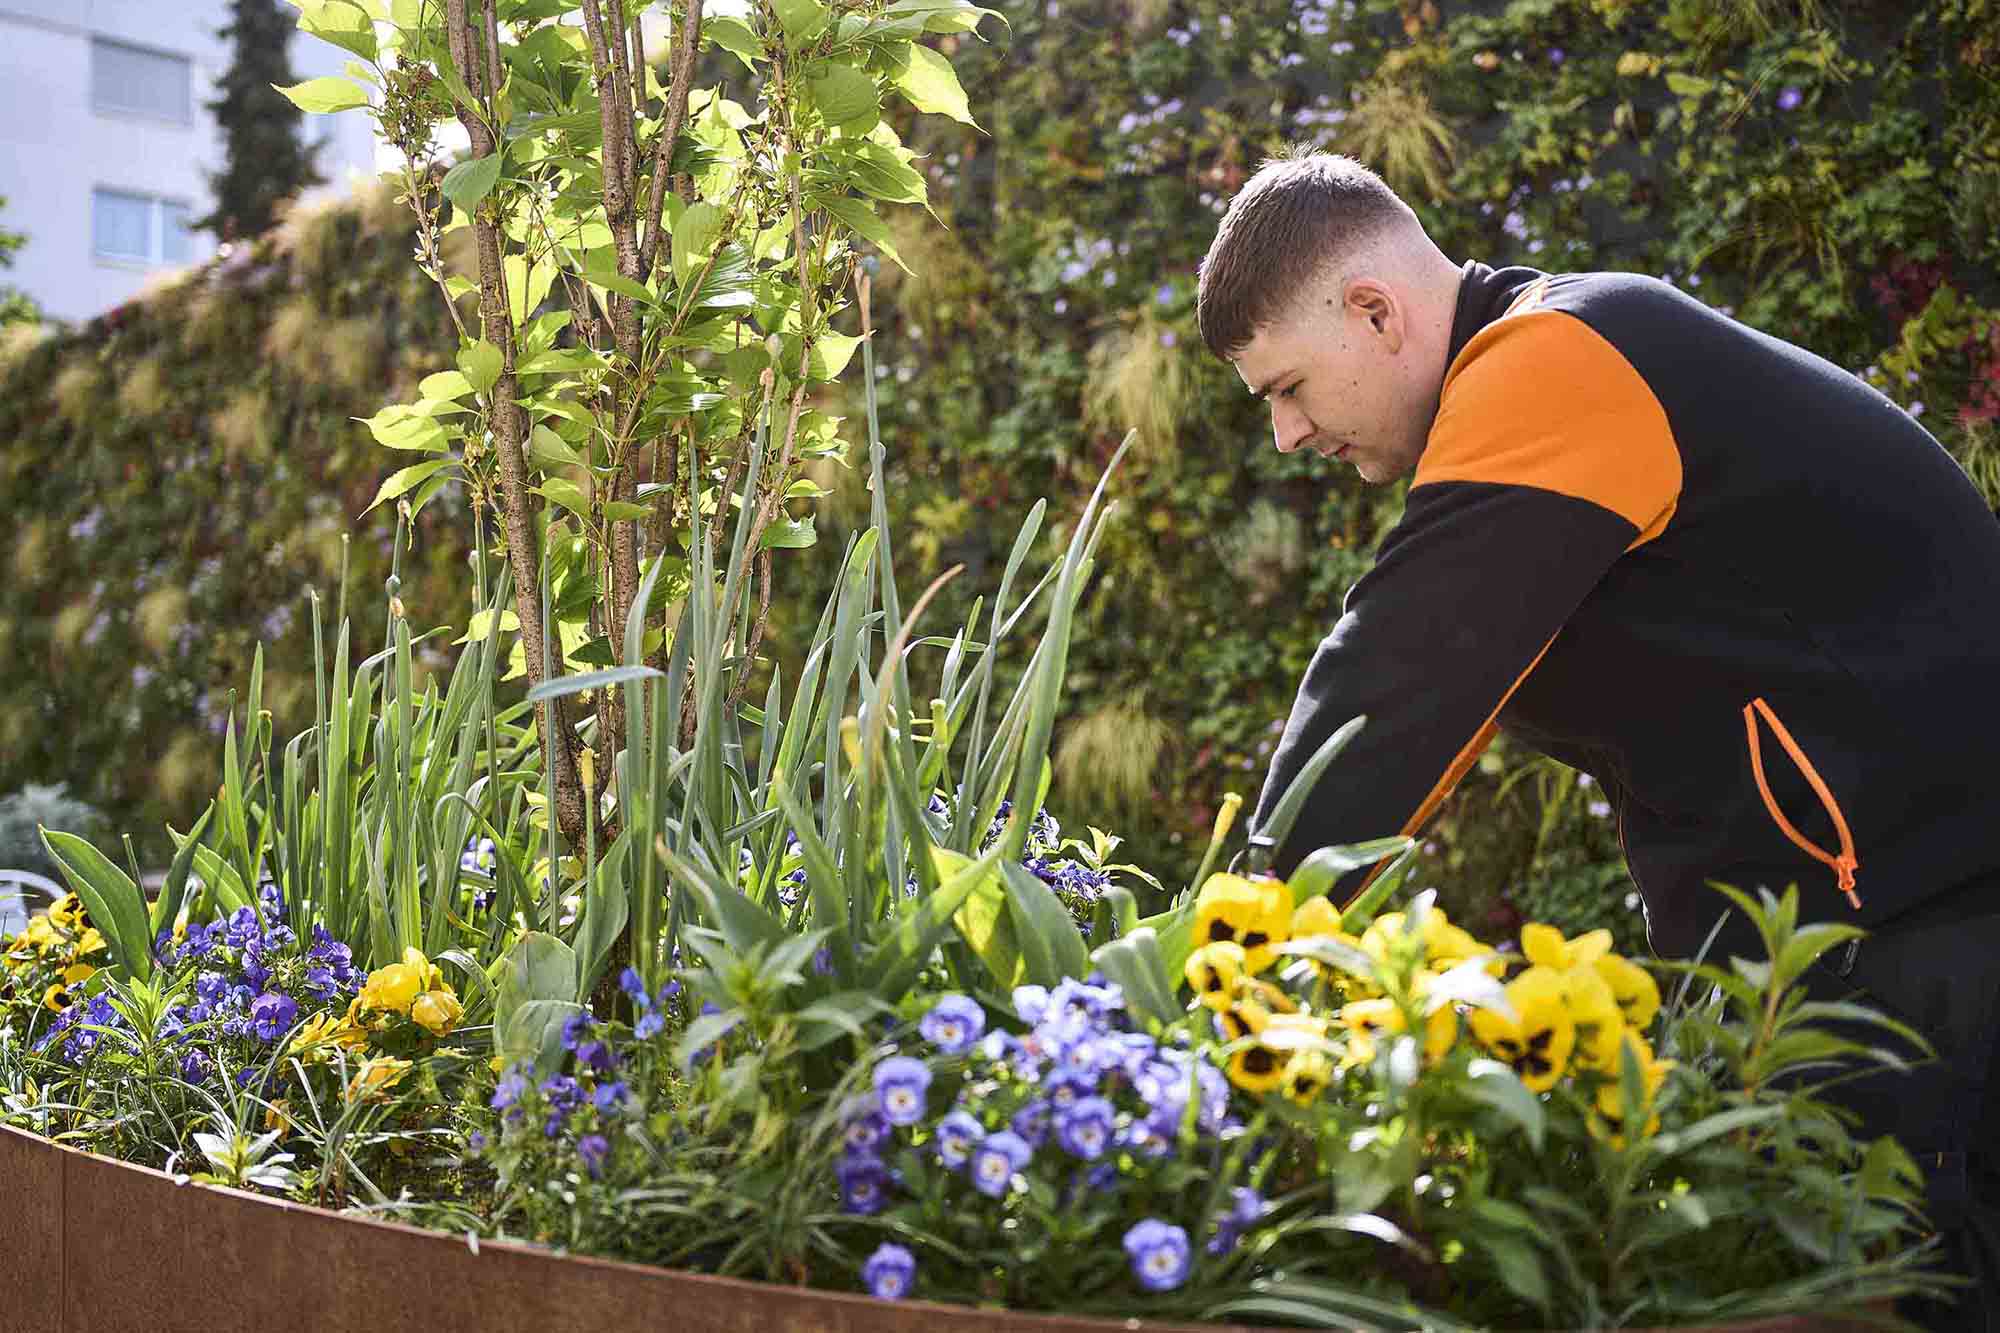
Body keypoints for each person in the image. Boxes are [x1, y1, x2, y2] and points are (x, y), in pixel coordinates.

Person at [1197, 147, 2000, 1328]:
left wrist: (1231, 950)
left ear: (1373, 311)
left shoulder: (1556, 359)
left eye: (1284, 386)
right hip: (1849, 939)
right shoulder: (1557, 369)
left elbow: (1395, 685)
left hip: (1913, 939)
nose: (1284, 434)